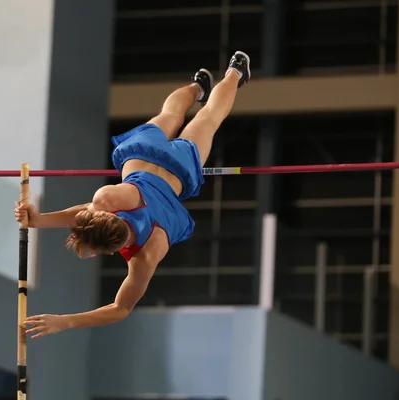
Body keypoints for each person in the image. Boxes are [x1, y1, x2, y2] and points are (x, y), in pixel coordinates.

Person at [16, 51, 251, 339]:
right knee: (170, 115)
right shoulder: (105, 199)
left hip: (179, 170)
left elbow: (120, 308)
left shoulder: (146, 254)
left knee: (209, 118)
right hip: (142, 154)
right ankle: (198, 86)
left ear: (110, 250)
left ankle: (235, 72)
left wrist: (67, 322)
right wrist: (37, 220)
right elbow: (81, 212)